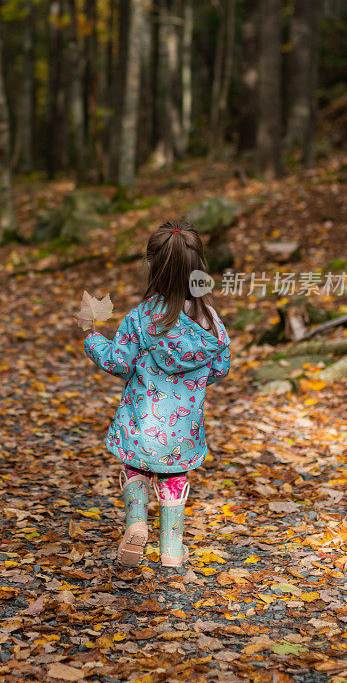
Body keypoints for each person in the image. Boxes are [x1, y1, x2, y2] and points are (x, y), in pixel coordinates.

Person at [81, 220, 231, 568]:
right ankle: (171, 551)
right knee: (174, 477)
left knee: (137, 468)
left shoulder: (141, 318)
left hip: (141, 423)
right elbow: (220, 368)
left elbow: (118, 362)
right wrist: (191, 381)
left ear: (152, 266)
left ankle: (136, 523)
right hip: (183, 430)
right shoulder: (210, 321)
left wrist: (91, 335)